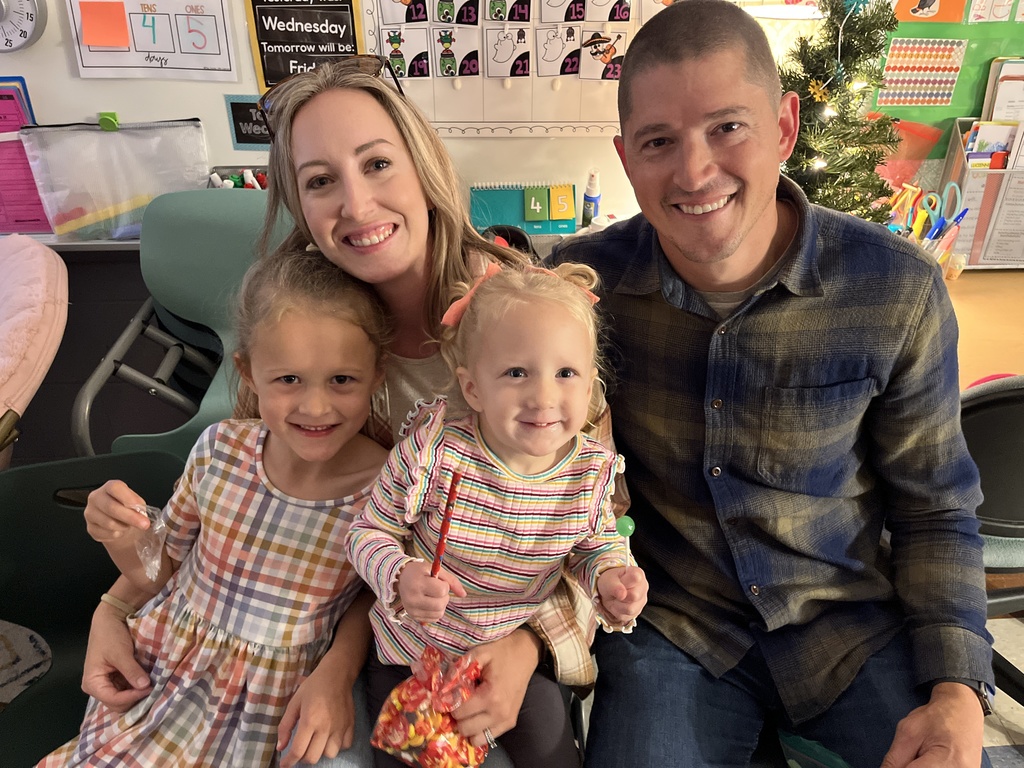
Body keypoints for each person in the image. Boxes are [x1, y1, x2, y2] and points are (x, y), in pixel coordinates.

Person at [78, 57, 617, 762]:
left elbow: (588, 511)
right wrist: (113, 606)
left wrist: (525, 645)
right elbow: (254, 517)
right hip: (371, 631)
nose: (357, 206)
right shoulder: (304, 329)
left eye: (377, 164)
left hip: (512, 614)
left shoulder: (519, 316)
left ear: (424, 168)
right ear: (299, 206)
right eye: (322, 181)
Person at [547, 2, 994, 767]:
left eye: (728, 127)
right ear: (626, 157)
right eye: (660, 142)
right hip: (672, 633)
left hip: (851, 630)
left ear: (785, 127)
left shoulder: (898, 291)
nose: (693, 172)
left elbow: (935, 508)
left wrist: (957, 691)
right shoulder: (579, 293)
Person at [43, 248, 390, 767]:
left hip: (263, 706)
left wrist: (338, 671)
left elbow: (374, 597)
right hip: (158, 673)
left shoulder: (387, 486)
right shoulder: (219, 448)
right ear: (248, 373)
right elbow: (160, 564)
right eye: (288, 379)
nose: (316, 407)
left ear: (377, 375)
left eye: (342, 379)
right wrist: (121, 540)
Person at [345, 262, 649, 767]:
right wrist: (398, 575)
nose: (544, 396)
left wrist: (611, 578)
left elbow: (593, 545)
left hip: (512, 649)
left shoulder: (591, 470)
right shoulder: (434, 453)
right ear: (472, 388)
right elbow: (367, 529)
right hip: (414, 650)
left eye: (566, 373)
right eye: (516, 373)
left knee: (556, 758)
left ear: (590, 382)